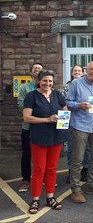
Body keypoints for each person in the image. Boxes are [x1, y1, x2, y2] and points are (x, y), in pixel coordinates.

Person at [22, 70, 69, 214]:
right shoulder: (31, 96)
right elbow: (27, 118)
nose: (47, 84)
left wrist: (63, 118)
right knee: (39, 169)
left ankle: (50, 197)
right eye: (45, 81)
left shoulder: (57, 95)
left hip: (56, 137)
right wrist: (47, 119)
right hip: (39, 137)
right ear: (39, 81)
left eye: (50, 81)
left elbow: (65, 111)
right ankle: (35, 200)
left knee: (51, 168)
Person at [66, 61, 93, 204]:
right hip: (80, 125)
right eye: (91, 69)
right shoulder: (76, 84)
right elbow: (68, 102)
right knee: (77, 158)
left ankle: (92, 185)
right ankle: (76, 190)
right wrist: (79, 105)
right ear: (86, 70)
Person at [60, 64, 90, 184]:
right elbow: (62, 104)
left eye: (79, 71)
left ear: (82, 73)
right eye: (75, 71)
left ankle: (85, 170)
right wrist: (62, 123)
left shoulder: (88, 86)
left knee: (87, 148)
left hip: (85, 120)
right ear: (72, 73)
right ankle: (71, 171)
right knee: (70, 148)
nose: (77, 72)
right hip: (70, 121)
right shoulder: (66, 87)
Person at [17, 62, 44, 193]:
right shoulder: (24, 88)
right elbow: (21, 105)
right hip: (28, 127)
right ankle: (26, 180)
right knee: (27, 154)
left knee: (43, 154)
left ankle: (43, 178)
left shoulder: (47, 86)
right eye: (35, 69)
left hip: (44, 127)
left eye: (40, 69)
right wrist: (39, 111)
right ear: (31, 72)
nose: (37, 71)